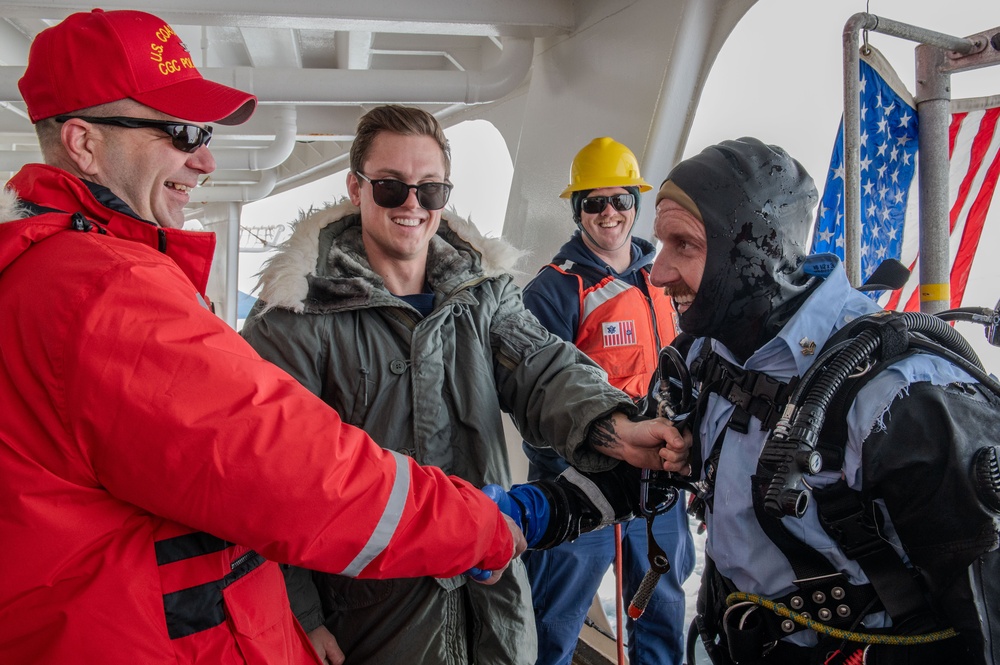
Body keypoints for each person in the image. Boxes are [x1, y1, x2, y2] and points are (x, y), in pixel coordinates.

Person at [0, 10, 533, 665]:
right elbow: (300, 474)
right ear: (84, 144)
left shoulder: (43, 269)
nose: (204, 157)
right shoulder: (104, 291)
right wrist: (482, 527)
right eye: (181, 131)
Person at [240, 105, 689, 664]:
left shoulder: (484, 294)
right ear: (355, 188)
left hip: (491, 594)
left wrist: (615, 427)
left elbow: (543, 368)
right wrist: (298, 614)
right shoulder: (291, 320)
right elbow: (263, 483)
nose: (412, 204)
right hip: (369, 612)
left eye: (429, 190)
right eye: (390, 187)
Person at [643, 137, 1000, 664]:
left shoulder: (903, 393)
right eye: (660, 244)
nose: (658, 273)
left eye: (685, 246)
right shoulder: (705, 354)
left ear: (752, 250)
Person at [520, 136, 695, 665]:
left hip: (657, 483)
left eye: (620, 199)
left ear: (635, 205)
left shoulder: (662, 277)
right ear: (578, 211)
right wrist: (574, 472)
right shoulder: (552, 292)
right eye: (594, 202)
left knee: (661, 611)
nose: (610, 212)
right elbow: (536, 398)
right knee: (552, 620)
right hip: (579, 485)